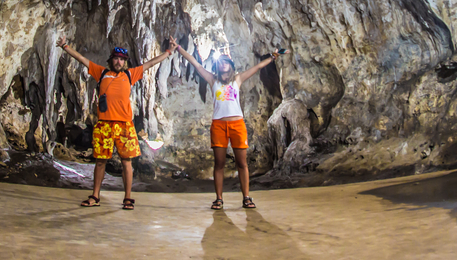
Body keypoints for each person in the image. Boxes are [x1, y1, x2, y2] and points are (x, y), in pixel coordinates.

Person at [55, 37, 174, 210]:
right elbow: (82, 59)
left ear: (125, 62)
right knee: (101, 161)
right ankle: (95, 196)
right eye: (116, 58)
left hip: (125, 125)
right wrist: (65, 46)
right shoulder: (101, 73)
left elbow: (151, 63)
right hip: (104, 124)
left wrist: (169, 52)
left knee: (127, 161)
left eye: (122, 59)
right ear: (111, 60)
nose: (118, 62)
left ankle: (127, 198)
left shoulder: (130, 74)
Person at [173, 39, 288, 210]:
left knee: (242, 163)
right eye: (221, 63)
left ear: (231, 65)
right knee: (219, 163)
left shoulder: (238, 79)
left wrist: (273, 56)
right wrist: (179, 48)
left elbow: (257, 68)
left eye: (226, 62)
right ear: (218, 67)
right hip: (218, 125)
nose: (223, 65)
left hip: (237, 124)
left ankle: (246, 197)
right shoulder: (213, 80)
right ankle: (219, 198)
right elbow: (196, 64)